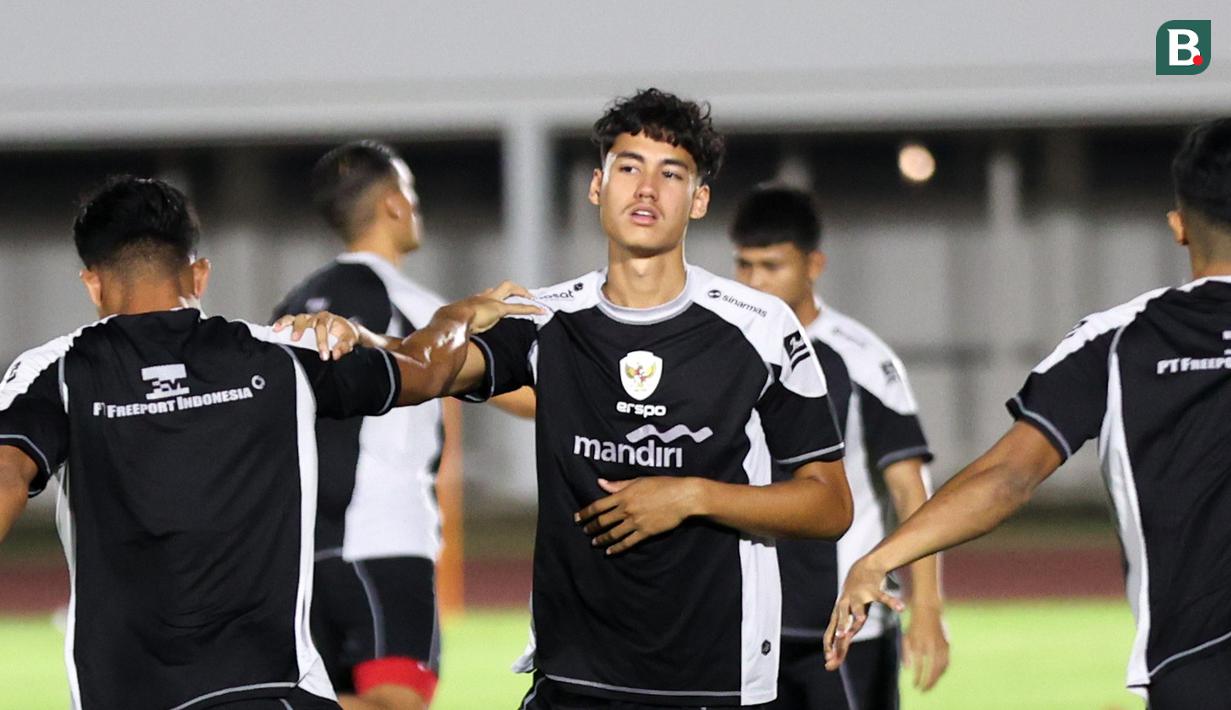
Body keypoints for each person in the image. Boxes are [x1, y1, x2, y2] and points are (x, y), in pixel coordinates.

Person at [284, 88, 854, 709]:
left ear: (699, 199)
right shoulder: (543, 320)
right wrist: (377, 331)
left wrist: (692, 497)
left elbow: (829, 505)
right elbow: (419, 374)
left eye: (672, 174)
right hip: (571, 681)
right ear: (596, 187)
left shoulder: (762, 327)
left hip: (712, 682)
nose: (646, 188)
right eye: (628, 167)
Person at [0, 176, 535, 710]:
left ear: (92, 283)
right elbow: (428, 370)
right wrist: (456, 315)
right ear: (200, 273)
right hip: (276, 695)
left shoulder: (57, 373)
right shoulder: (284, 355)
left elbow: (6, 475)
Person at [825, 118, 1231, 710]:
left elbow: (1008, 478)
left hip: (1193, 671)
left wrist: (878, 559)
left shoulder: (1117, 342)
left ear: (1178, 228)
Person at [272, 141, 532, 710]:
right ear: (393, 204)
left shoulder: (290, 309)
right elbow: (527, 394)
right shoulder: (410, 304)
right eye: (411, 195)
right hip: (384, 539)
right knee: (398, 704)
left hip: (299, 553)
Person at [730, 186, 948, 709]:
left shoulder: (862, 358)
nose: (755, 280)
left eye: (771, 265)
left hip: (848, 630)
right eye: (744, 265)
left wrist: (928, 608)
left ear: (814, 264)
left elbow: (908, 486)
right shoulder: (722, 351)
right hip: (746, 623)